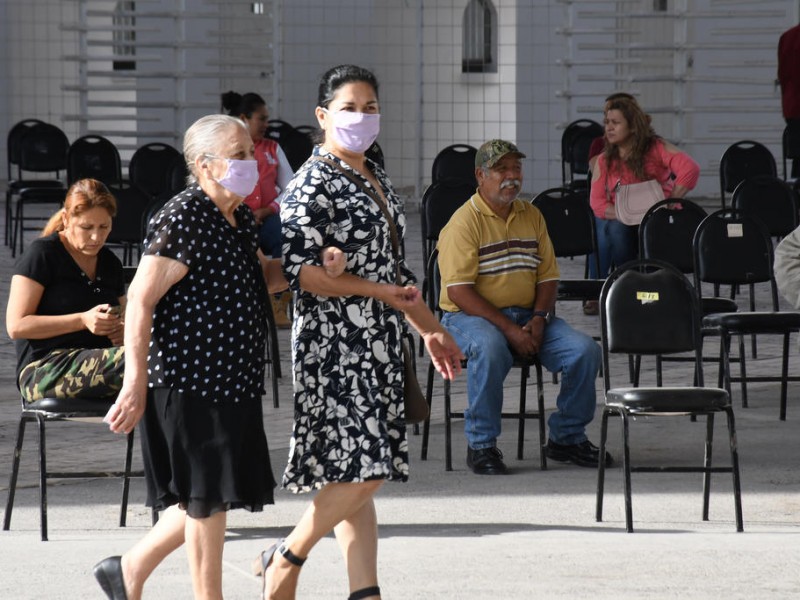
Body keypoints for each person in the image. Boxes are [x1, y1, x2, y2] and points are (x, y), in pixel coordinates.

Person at [260, 64, 463, 600]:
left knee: (355, 472)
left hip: (377, 341)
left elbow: (393, 272)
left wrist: (429, 330)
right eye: (349, 107)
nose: (362, 117)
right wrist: (376, 294)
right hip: (335, 344)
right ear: (323, 115)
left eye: (370, 107)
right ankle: (286, 557)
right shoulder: (311, 182)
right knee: (365, 467)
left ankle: (364, 591)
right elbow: (300, 275)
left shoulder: (372, 173)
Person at [91, 114, 305, 600]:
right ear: (205, 165)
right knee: (207, 501)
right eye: (242, 154)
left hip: (233, 380)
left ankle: (126, 570)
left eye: (252, 152)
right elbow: (141, 299)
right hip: (189, 383)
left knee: (206, 496)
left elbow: (262, 276)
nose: (254, 162)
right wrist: (133, 381)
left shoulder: (240, 216)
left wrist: (308, 267)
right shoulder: (183, 215)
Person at [437, 139, 610, 476]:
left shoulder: (531, 215)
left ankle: (566, 438)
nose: (511, 176)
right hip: (467, 317)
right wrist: (511, 330)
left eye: (516, 168)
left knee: (585, 351)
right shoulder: (464, 222)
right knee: (489, 348)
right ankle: (482, 445)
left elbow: (548, 277)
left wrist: (539, 319)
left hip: (529, 315)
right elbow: (458, 292)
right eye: (502, 169)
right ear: (480, 175)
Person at [6, 178, 125, 403]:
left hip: (101, 362)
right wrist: (82, 320)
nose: (96, 237)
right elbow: (16, 326)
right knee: (143, 358)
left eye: (104, 227)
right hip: (45, 369)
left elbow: (125, 316)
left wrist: (120, 329)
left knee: (163, 354)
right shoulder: (43, 254)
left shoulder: (109, 262)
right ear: (66, 219)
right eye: (86, 227)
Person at [585, 97, 700, 314]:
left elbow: (690, 169)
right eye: (607, 122)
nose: (608, 127)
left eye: (615, 122)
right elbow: (597, 202)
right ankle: (623, 285)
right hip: (621, 215)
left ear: (632, 125)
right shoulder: (604, 159)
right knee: (610, 227)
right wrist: (624, 214)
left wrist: (671, 200)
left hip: (656, 216)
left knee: (621, 230)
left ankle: (625, 286)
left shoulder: (655, 147)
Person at [221, 90, 295, 326]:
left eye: (266, 118)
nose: (266, 124)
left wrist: (268, 209)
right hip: (234, 217)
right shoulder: (225, 147)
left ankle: (278, 305)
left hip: (268, 217)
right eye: (261, 118)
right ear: (244, 118)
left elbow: (291, 187)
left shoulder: (273, 148)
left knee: (287, 238)